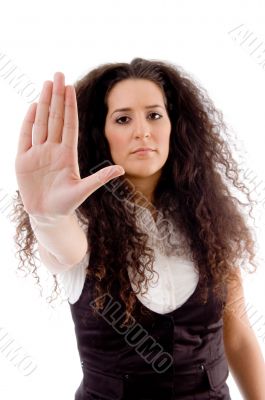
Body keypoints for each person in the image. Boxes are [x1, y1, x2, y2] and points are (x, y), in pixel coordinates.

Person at [13, 58, 265, 399]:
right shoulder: (82, 222)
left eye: (154, 115)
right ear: (99, 134)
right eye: (122, 118)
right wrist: (47, 216)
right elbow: (60, 245)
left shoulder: (210, 221)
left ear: (175, 125)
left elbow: (237, 335)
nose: (142, 130)